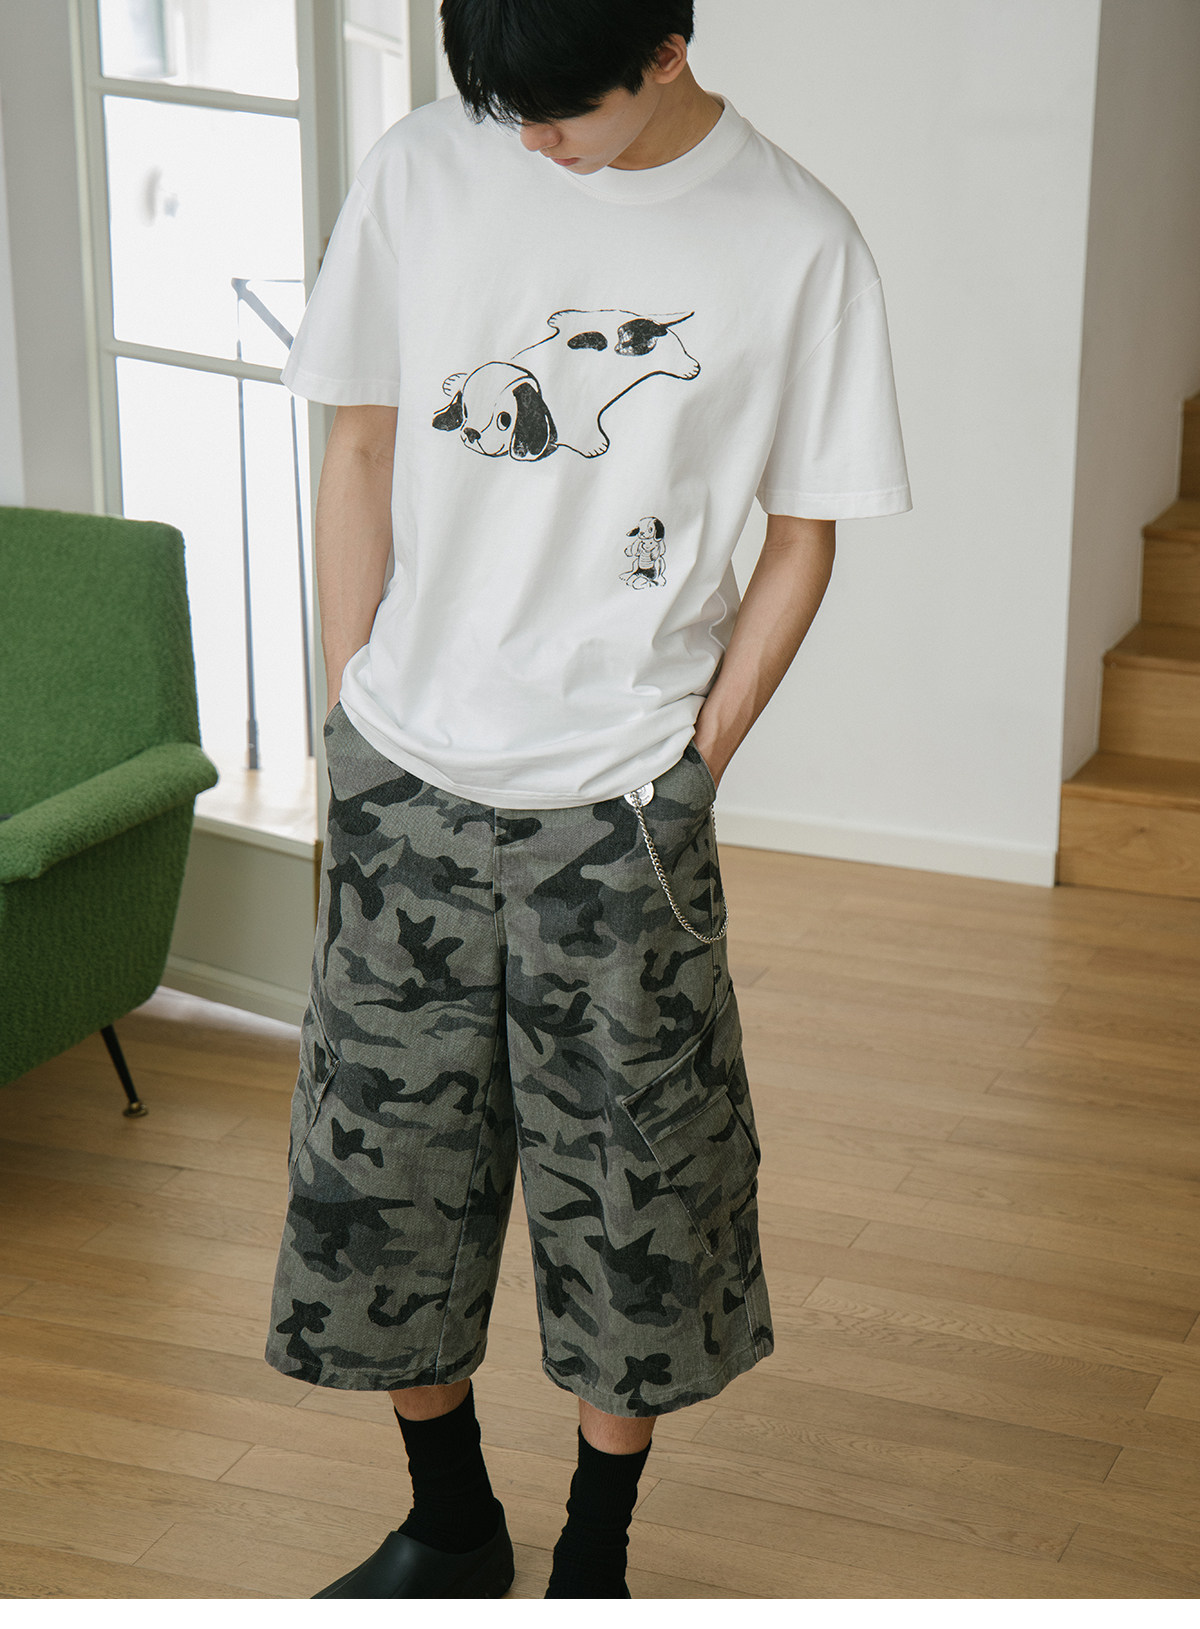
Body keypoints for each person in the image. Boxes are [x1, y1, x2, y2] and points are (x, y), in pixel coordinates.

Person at [263, 0, 911, 1601]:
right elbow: (362, 444)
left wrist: (695, 765)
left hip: (620, 813)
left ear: (668, 51)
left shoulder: (799, 244)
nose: (529, 139)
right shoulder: (424, 167)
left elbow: (806, 534)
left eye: (561, 111)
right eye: (502, 104)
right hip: (405, 775)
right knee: (381, 1185)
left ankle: (595, 1558)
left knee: (638, 1204)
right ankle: (450, 1522)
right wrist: (351, 714)